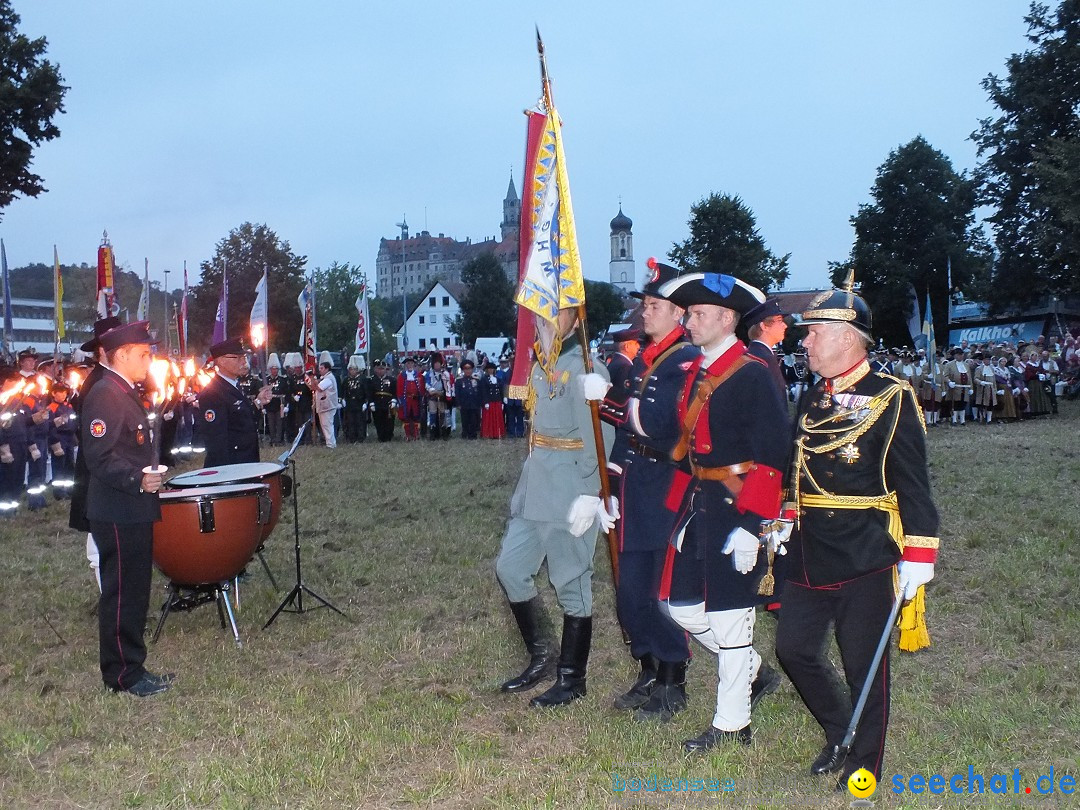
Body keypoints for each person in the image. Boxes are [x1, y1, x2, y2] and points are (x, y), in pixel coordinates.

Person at [775, 277, 939, 785]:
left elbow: (914, 485)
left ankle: (863, 761)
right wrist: (781, 516)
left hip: (865, 552)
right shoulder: (812, 396)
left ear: (847, 337)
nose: (804, 342)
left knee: (863, 664)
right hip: (807, 550)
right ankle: (837, 729)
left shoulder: (891, 398)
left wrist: (919, 554)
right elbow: (794, 465)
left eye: (814, 332)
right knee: (793, 650)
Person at [651, 271, 790, 752]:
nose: (689, 322)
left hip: (738, 506)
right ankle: (752, 669)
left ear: (727, 318)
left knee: (731, 618)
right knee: (681, 606)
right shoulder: (697, 371)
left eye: (699, 314)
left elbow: (775, 453)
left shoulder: (751, 372)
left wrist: (754, 524)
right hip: (700, 502)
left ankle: (732, 725)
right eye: (688, 314)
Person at [589, 260, 701, 722]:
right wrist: (611, 485)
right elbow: (626, 440)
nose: (645, 312)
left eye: (654, 305)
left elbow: (656, 428)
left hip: (665, 491)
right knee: (630, 593)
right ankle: (649, 667)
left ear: (679, 313)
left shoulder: (685, 361)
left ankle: (673, 681)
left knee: (659, 591)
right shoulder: (648, 359)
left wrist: (607, 402)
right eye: (646, 304)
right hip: (635, 490)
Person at [495, 307, 614, 707]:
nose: (546, 320)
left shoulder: (587, 370)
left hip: (569, 489)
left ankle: (571, 679)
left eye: (557, 312)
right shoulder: (539, 367)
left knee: (571, 581)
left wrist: (591, 492)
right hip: (536, 488)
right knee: (510, 569)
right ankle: (542, 655)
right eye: (542, 312)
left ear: (577, 320)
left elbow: (602, 436)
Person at [81, 320, 173, 697]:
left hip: (132, 507)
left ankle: (132, 665)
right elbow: (99, 457)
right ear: (120, 355)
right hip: (118, 508)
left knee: (135, 591)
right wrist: (138, 478)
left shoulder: (123, 389)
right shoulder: (106, 393)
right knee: (122, 593)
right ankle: (122, 675)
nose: (149, 360)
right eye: (143, 354)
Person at [195, 338, 271, 467]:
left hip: (245, 460)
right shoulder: (213, 393)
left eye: (244, 357)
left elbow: (241, 420)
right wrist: (226, 474)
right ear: (221, 361)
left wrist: (258, 402)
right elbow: (216, 440)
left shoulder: (234, 385)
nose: (243, 361)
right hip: (231, 466)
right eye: (237, 358)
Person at [742, 298, 789, 406]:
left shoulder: (756, 354)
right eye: (780, 320)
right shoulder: (762, 359)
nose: (785, 326)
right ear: (764, 326)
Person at [47, 381, 77, 499]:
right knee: (59, 466)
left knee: (69, 465)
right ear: (54, 393)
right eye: (60, 393)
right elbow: (49, 427)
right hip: (59, 438)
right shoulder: (51, 408)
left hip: (69, 438)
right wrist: (55, 442)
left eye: (65, 393)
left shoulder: (68, 406)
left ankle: (69, 490)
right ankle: (59, 492)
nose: (63, 395)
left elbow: (74, 420)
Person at [423, 352, 454, 441]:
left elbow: (449, 385)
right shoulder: (429, 374)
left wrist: (444, 393)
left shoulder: (446, 374)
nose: (437, 365)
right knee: (432, 414)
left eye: (438, 363)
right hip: (432, 397)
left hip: (442, 397)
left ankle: (444, 432)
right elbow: (427, 384)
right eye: (435, 364)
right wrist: (433, 391)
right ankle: (433, 433)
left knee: (443, 414)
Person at [396, 356, 425, 441]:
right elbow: (399, 389)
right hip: (406, 400)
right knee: (406, 417)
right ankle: (408, 435)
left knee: (416, 417)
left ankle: (416, 434)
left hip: (416, 400)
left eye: (411, 363)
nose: (410, 365)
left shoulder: (418, 375)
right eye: (408, 363)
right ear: (405, 365)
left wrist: (421, 397)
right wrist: (400, 400)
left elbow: (422, 388)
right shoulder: (401, 376)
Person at [342, 358, 370, 443]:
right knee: (350, 421)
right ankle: (351, 437)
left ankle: (360, 437)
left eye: (354, 369)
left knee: (360, 421)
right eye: (350, 369)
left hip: (360, 403)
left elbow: (367, 392)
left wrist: (366, 402)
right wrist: (342, 400)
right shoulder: (346, 380)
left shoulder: (363, 379)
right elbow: (343, 391)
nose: (352, 371)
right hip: (350, 403)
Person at [311, 361, 338, 448]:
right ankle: (329, 443)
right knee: (325, 425)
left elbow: (319, 388)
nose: (320, 370)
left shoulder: (328, 378)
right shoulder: (325, 378)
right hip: (325, 406)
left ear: (327, 369)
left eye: (322, 368)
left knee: (327, 425)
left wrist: (313, 379)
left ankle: (331, 444)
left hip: (327, 406)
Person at [264, 354, 289, 445]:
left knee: (279, 423)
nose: (274, 371)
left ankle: (279, 440)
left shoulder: (282, 380)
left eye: (276, 369)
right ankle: (272, 439)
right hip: (270, 404)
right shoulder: (266, 380)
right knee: (271, 423)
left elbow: (286, 393)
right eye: (273, 369)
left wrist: (286, 405)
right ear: (270, 370)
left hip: (280, 404)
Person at [368, 360, 396, 442]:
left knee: (389, 421)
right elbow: (369, 392)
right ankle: (381, 436)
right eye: (379, 369)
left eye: (382, 369)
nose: (380, 370)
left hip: (388, 403)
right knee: (378, 420)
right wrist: (371, 402)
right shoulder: (371, 380)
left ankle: (389, 436)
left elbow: (395, 391)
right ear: (375, 369)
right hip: (377, 403)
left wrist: (394, 400)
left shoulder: (392, 380)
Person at [454, 360, 481, 439]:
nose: (468, 370)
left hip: (474, 403)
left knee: (474, 419)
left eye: (469, 368)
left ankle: (473, 434)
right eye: (466, 368)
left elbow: (479, 391)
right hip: (464, 403)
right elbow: (457, 393)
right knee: (465, 419)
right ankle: (465, 433)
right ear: (463, 370)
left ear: (472, 369)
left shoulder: (476, 379)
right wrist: (458, 403)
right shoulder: (459, 380)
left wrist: (480, 402)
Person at [480, 360, 505, 439]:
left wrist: (502, 401)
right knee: (488, 419)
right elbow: (483, 391)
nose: (491, 370)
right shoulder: (484, 380)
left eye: (492, 369)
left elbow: (501, 390)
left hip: (497, 401)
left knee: (497, 418)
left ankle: (497, 433)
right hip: (489, 401)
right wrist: (485, 402)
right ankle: (488, 433)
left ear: (494, 370)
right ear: (487, 370)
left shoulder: (498, 379)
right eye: (489, 369)